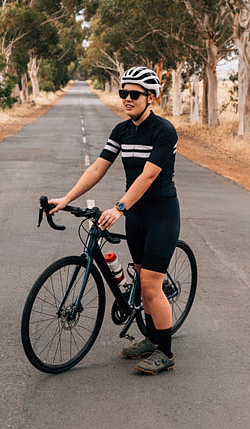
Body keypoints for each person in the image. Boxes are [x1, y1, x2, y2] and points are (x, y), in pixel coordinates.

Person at [50, 66, 180, 375]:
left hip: (162, 214)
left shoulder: (164, 131)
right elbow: (98, 168)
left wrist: (118, 208)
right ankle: (150, 339)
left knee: (150, 286)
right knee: (139, 277)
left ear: (151, 97)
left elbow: (149, 176)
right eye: (123, 93)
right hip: (136, 216)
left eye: (134, 94)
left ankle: (165, 352)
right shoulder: (121, 131)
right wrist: (67, 199)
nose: (127, 99)